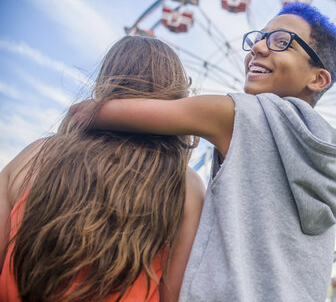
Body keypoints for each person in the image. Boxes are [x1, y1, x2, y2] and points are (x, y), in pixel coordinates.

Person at [73, 2, 336, 301]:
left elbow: (97, 113)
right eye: (258, 38)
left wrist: (73, 122)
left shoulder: (240, 114)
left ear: (318, 79)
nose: (258, 47)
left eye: (281, 42)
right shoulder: (328, 160)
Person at [0, 36, 206, 302]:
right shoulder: (186, 186)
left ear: (104, 84)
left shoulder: (33, 156)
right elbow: (174, 295)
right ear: (177, 93)